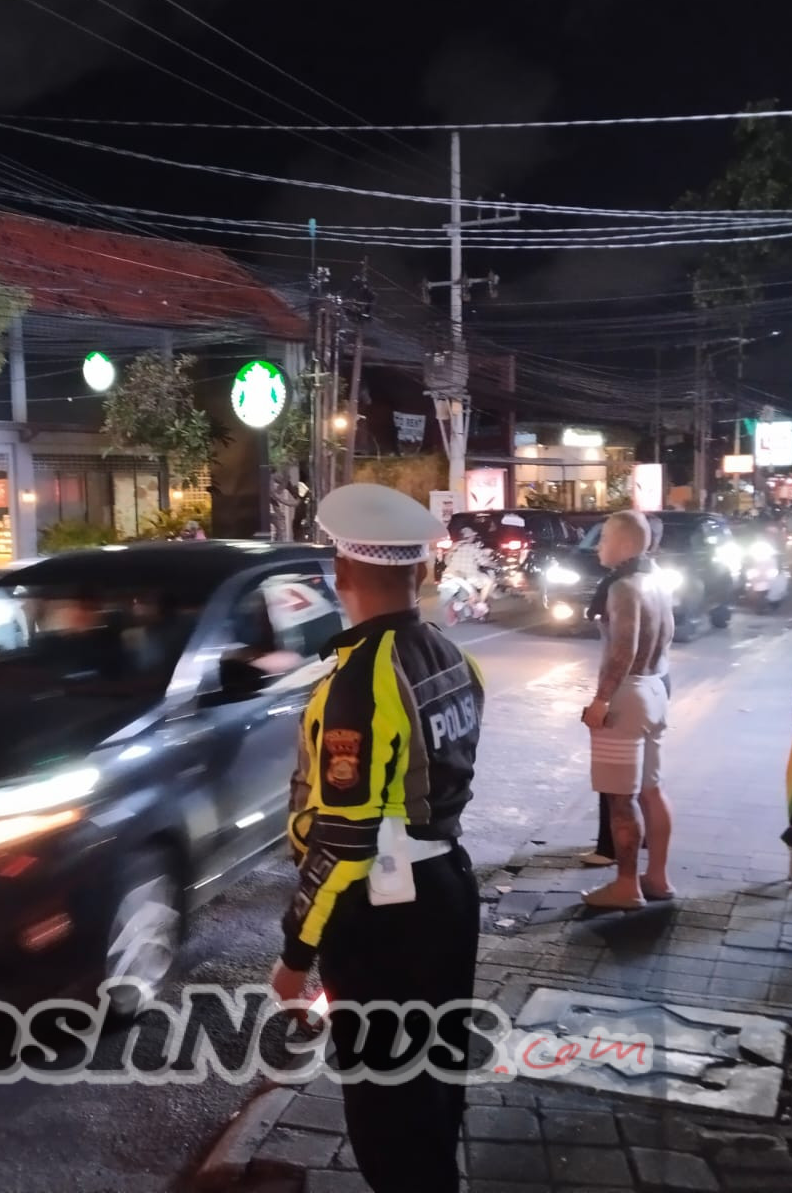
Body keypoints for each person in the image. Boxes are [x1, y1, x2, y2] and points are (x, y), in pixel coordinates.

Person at [270, 483, 485, 1193]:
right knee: (435, 1086)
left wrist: (297, 952)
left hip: (387, 919)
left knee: (387, 1110)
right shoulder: (455, 658)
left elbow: (343, 837)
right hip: (449, 889)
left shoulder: (359, 682)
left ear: (343, 574)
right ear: (419, 573)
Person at [580, 511, 676, 909]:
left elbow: (623, 650)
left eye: (604, 539)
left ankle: (626, 885)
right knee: (652, 791)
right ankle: (657, 878)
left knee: (622, 798)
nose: (599, 546)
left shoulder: (623, 587)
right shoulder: (656, 580)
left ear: (622, 543)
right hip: (656, 686)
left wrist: (601, 701)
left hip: (628, 693)